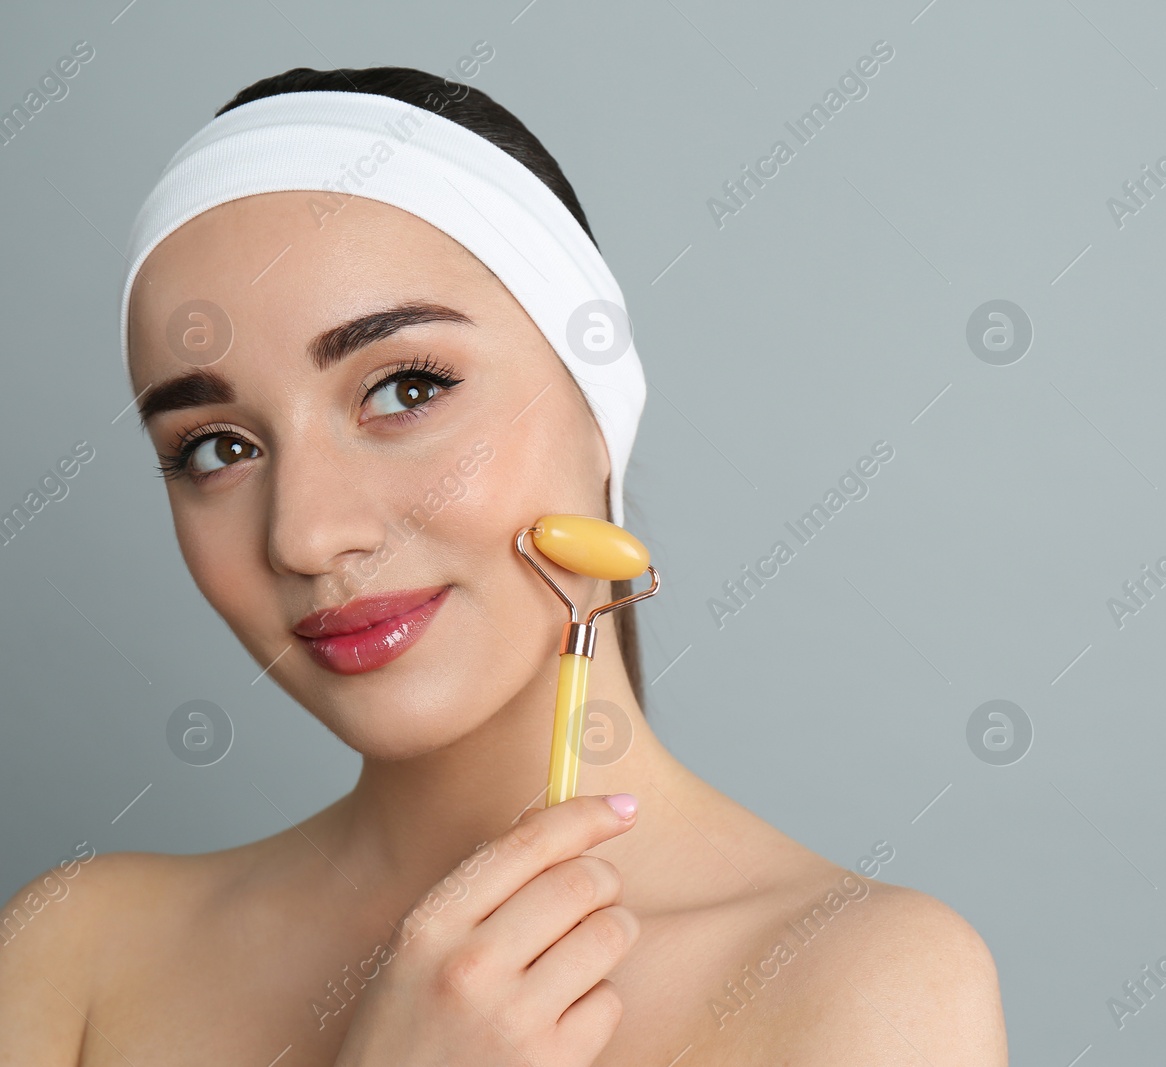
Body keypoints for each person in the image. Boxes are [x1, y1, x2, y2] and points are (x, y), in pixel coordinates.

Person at [0, 66, 1006, 1065]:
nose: (305, 536)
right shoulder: (74, 952)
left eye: (404, 387)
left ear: (600, 402)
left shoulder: (865, 984)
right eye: (217, 447)